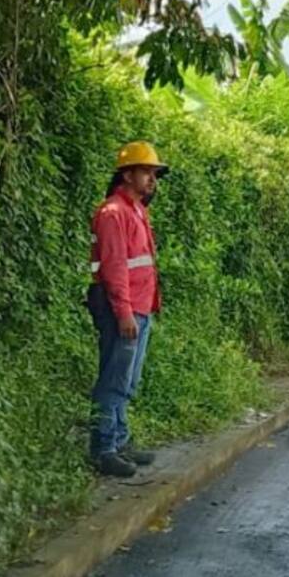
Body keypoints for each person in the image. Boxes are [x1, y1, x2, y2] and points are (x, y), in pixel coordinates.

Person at [86, 141, 169, 477]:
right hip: (123, 308)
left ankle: (120, 440)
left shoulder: (137, 210)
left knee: (128, 380)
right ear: (127, 173)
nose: (152, 179)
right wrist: (123, 312)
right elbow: (115, 267)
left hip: (140, 306)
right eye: (147, 171)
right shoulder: (113, 213)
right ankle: (103, 448)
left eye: (154, 173)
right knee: (114, 380)